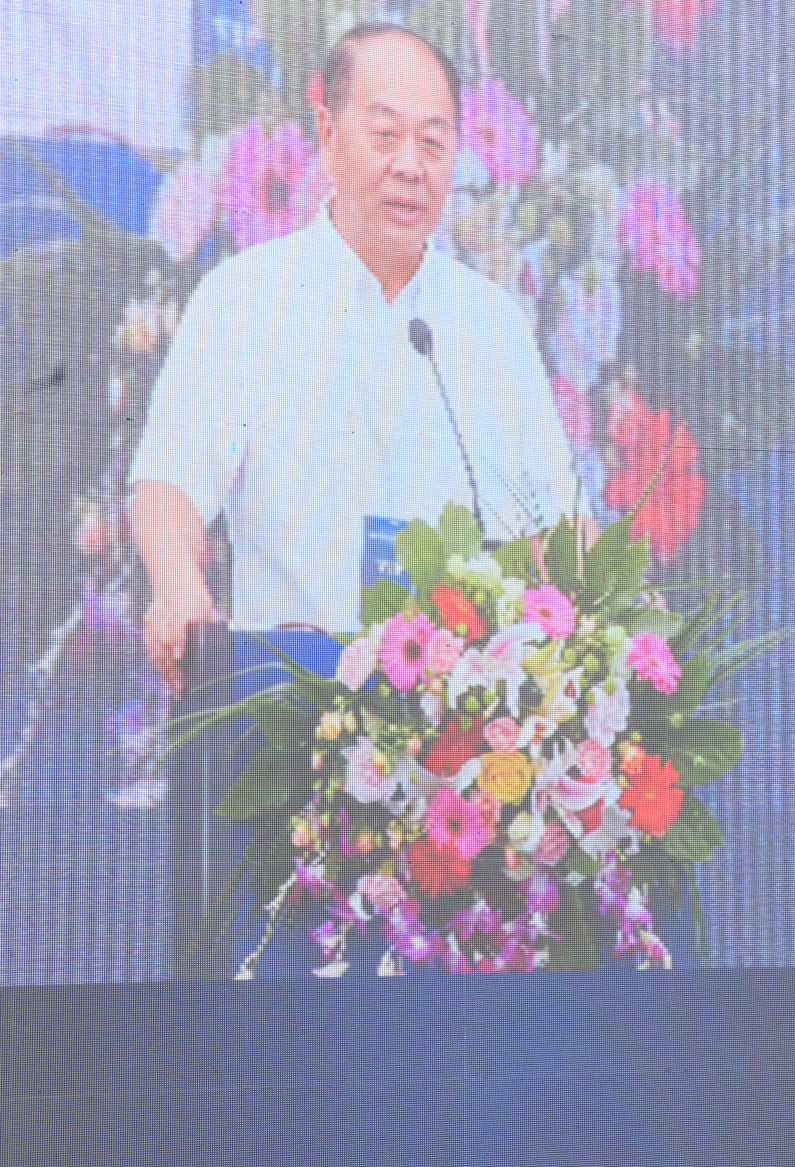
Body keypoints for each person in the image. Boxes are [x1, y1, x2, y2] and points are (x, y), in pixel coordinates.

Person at [130, 22, 577, 691]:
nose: (410, 165)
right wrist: (176, 585)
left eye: (433, 142)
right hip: (292, 705)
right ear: (329, 136)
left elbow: (554, 526)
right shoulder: (246, 298)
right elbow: (172, 481)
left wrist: (611, 619)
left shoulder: (494, 326)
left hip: (461, 725)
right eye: (386, 135)